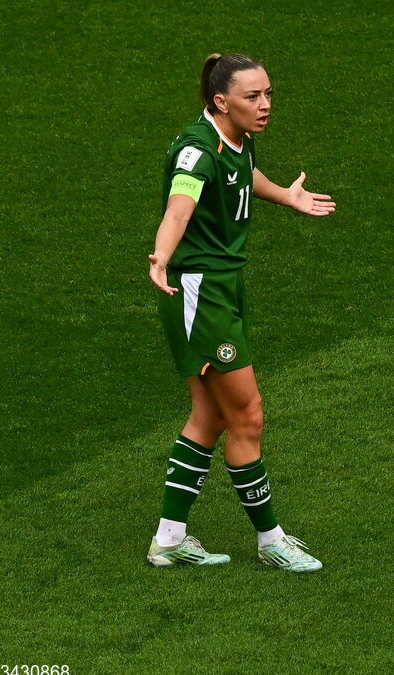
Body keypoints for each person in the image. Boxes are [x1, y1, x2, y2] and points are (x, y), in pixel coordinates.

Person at [146, 53, 335, 571]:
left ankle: (168, 539)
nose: (265, 104)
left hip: (223, 286)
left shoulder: (237, 137)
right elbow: (179, 208)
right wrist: (160, 255)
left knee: (210, 416)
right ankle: (271, 540)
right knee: (247, 415)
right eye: (253, 96)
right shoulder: (196, 153)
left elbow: (245, 175)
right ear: (220, 101)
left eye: (268, 93)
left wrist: (286, 197)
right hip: (199, 292)